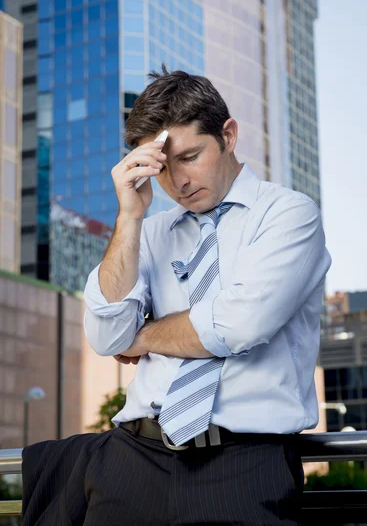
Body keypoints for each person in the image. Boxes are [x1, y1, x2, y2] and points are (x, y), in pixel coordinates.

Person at [21, 66, 331, 526]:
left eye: (190, 156)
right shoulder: (148, 232)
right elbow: (107, 336)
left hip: (243, 467)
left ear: (228, 135)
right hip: (133, 460)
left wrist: (142, 337)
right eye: (163, 168)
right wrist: (130, 216)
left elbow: (236, 325)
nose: (178, 181)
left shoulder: (288, 214)